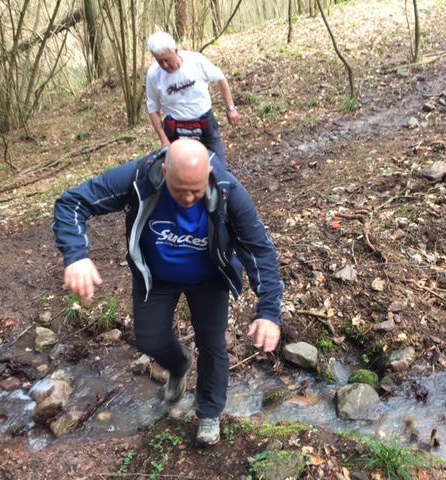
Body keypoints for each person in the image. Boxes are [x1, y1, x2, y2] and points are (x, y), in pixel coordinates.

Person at [52, 139, 283, 447]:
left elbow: (260, 250)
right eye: (179, 190)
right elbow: (72, 202)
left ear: (209, 174)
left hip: (209, 278)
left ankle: (209, 413)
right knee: (148, 339)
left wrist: (268, 311)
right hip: (156, 277)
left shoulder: (228, 190)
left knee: (212, 344)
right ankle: (179, 364)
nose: (188, 198)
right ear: (164, 172)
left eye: (196, 191)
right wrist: (76, 255)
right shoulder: (139, 177)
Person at [146, 31, 240, 169]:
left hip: (205, 123)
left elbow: (221, 78)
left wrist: (231, 108)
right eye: (160, 61)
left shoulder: (195, 61)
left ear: (176, 51)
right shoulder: (153, 75)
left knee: (220, 169)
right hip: (175, 130)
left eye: (167, 60)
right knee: (180, 173)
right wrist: (164, 140)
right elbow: (153, 108)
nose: (164, 65)